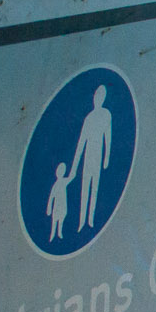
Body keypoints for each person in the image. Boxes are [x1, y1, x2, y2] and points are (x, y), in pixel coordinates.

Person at [71, 84, 113, 232]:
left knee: (94, 188)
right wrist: (74, 169)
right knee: (85, 188)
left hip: (98, 154)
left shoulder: (106, 114)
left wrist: (107, 157)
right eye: (96, 96)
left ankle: (90, 220)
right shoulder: (89, 118)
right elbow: (81, 144)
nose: (97, 99)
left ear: (103, 98)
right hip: (88, 156)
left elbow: (108, 137)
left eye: (100, 96)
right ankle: (81, 221)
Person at [46, 162, 72, 241]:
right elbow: (51, 197)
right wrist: (49, 209)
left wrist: (74, 167)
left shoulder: (64, 181)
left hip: (63, 206)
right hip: (56, 207)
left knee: (61, 220)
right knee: (54, 221)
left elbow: (71, 177)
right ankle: (52, 234)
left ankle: (59, 233)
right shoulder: (56, 185)